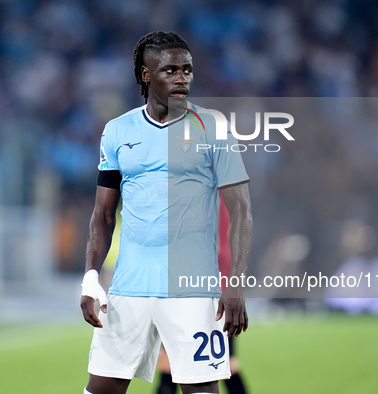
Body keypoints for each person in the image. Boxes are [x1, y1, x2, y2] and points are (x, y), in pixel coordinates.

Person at [80, 31, 252, 394]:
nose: (182, 78)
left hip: (193, 290)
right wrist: (90, 278)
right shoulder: (117, 132)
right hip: (129, 288)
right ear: (146, 75)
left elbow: (242, 212)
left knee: (201, 390)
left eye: (187, 70)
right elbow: (103, 215)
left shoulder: (214, 127)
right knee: (101, 390)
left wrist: (234, 284)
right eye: (170, 70)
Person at [156, 194, 248, 394]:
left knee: (169, 361)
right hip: (217, 284)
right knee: (225, 362)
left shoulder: (194, 190)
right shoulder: (224, 190)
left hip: (193, 284)